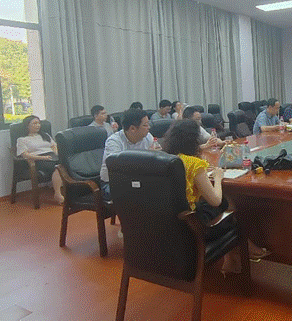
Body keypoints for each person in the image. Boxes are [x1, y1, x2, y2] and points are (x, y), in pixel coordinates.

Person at [163, 119, 270, 274]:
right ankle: (238, 251)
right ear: (194, 141)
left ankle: (232, 258)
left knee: (222, 202)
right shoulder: (194, 163)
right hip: (195, 226)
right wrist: (218, 177)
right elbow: (215, 201)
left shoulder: (169, 159)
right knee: (227, 202)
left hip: (174, 224)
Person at [99, 109, 154, 200]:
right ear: (132, 128)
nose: (149, 127)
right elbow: (118, 169)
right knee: (139, 195)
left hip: (138, 180)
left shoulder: (148, 137)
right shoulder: (114, 141)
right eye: (145, 125)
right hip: (113, 183)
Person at [17, 115, 64, 204]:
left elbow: (54, 146)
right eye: (34, 123)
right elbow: (25, 155)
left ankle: (69, 192)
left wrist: (57, 154)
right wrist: (42, 157)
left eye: (39, 123)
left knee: (67, 163)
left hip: (52, 156)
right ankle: (58, 194)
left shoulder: (45, 135)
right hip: (38, 159)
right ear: (27, 125)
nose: (38, 125)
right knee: (58, 167)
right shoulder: (22, 139)